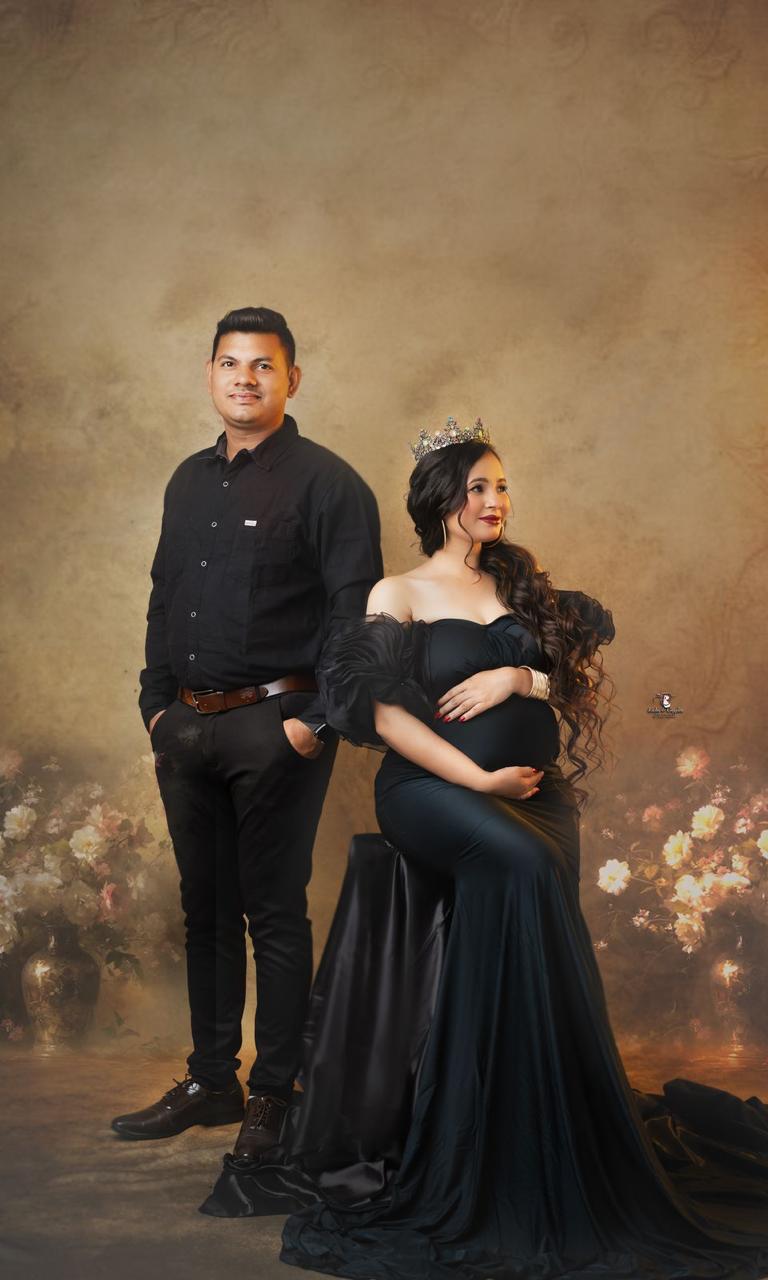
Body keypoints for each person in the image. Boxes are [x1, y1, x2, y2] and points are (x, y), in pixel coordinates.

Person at [201, 417, 768, 1278]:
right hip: (433, 793)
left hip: (538, 802)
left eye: (501, 486)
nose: (495, 500)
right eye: (477, 487)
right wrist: (480, 781)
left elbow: (568, 679)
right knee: (527, 866)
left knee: (538, 867)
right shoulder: (397, 593)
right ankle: (479, 1147)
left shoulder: (518, 585)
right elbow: (385, 717)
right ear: (441, 499)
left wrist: (519, 675)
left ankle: (550, 1117)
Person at [111, 307, 383, 1160]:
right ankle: (211, 1081)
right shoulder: (187, 481)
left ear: (291, 379)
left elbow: (356, 619)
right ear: (210, 374)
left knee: (273, 913)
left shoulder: (330, 484)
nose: (245, 378)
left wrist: (314, 721)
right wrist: (156, 706)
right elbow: (164, 596)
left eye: (263, 365)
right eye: (231, 363)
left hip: (278, 726)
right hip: (186, 727)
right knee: (205, 911)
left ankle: (273, 1094)